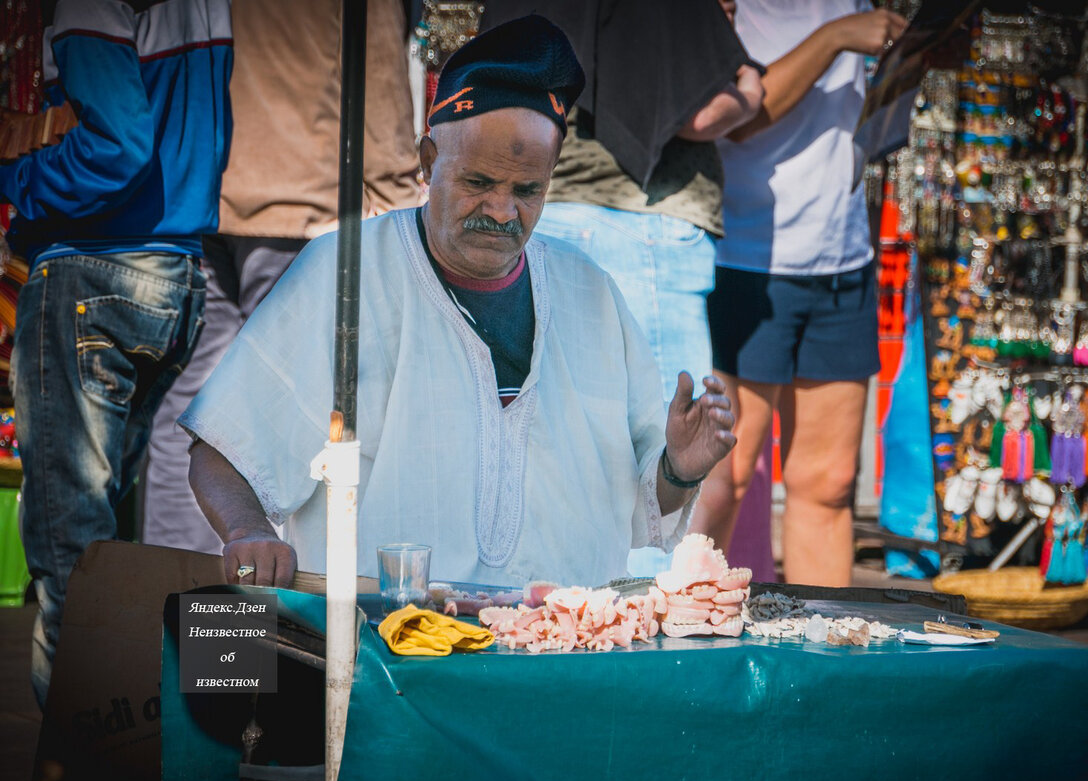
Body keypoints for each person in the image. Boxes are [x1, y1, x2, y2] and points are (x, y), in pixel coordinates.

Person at [182, 15, 736, 589]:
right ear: (427, 161)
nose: (501, 211)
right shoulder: (346, 271)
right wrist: (248, 530)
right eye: (478, 183)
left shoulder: (590, 291)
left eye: (526, 191)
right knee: (221, 675)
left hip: (563, 652)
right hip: (384, 652)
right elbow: (223, 447)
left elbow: (643, 507)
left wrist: (679, 467)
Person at [0, 0, 232, 706]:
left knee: (76, 560)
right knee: (109, 545)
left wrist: (16, 181)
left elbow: (119, 149)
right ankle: (160, 742)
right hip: (176, 273)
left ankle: (91, 765)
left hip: (97, 268)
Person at [480, 0, 763, 577]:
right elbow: (698, 112)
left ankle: (583, 629)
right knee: (668, 453)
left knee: (560, 451)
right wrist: (753, 87)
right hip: (641, 224)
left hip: (549, 215)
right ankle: (647, 645)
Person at [140, 0, 423, 556]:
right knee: (312, 430)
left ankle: (193, 622)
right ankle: (292, 624)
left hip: (200, 194)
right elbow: (382, 78)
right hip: (305, 202)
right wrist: (398, 211)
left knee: (196, 424)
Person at [690, 0, 907, 587]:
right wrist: (836, 37)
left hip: (842, 254)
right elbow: (724, 116)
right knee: (723, 480)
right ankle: (688, 649)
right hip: (747, 256)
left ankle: (823, 663)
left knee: (830, 484)